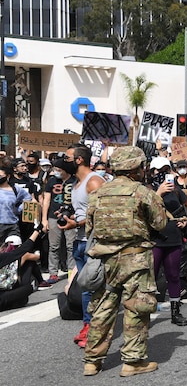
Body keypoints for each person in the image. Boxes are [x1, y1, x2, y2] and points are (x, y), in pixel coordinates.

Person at [82, 146, 167, 377]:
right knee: (136, 307)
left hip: (104, 259)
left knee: (103, 307)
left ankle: (92, 361)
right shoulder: (142, 192)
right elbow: (160, 224)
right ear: (136, 168)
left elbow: (89, 228)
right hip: (135, 259)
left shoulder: (98, 193)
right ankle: (133, 361)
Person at [61, 145, 106, 349]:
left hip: (92, 242)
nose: (64, 160)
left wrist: (76, 223)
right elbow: (84, 213)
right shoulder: (77, 183)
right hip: (79, 241)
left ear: (79, 160)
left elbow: (101, 215)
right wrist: (70, 219)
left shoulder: (94, 181)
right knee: (86, 286)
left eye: (67, 157)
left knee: (92, 286)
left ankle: (93, 327)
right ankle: (89, 324)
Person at [148, 156, 187, 326]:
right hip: (155, 238)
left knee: (173, 275)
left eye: (167, 169)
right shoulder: (147, 190)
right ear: (152, 172)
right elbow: (145, 209)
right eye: (160, 170)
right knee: (150, 275)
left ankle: (175, 312)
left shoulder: (175, 189)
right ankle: (146, 310)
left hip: (173, 237)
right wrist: (158, 193)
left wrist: (185, 219)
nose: (164, 173)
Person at [41, 161, 77, 284]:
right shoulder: (51, 181)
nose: (55, 172)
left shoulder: (75, 181)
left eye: (58, 169)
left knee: (71, 246)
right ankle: (53, 273)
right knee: (54, 246)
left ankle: (72, 271)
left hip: (70, 217)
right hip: (53, 217)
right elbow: (46, 200)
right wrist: (44, 219)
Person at [0, 227, 45, 310]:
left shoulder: (3, 255)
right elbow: (27, 249)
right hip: (4, 294)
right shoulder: (20, 255)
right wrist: (37, 230)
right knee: (28, 289)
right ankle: (41, 281)